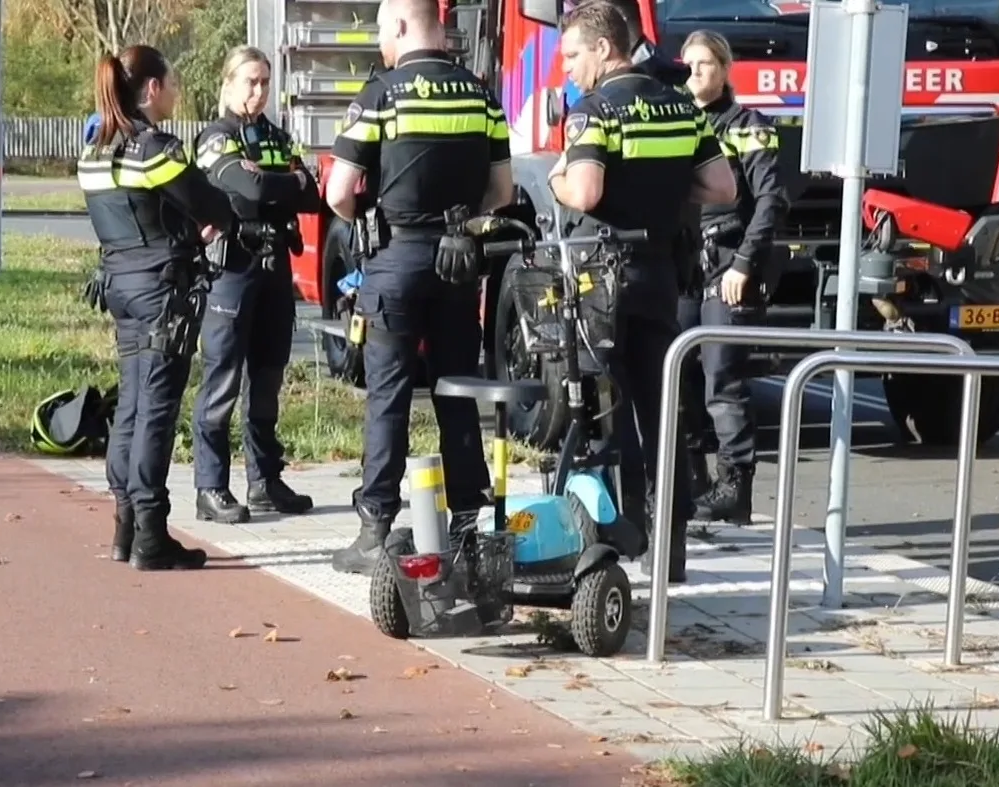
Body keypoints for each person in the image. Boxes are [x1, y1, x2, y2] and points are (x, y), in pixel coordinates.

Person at [324, 0, 514, 576]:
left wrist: (367, 216)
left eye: (383, 30)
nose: (380, 43)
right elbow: (502, 191)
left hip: (395, 261)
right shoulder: (481, 95)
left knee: (389, 396)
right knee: (458, 392)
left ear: (403, 26)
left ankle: (375, 530)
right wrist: (460, 222)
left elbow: (338, 192)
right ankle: (468, 529)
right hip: (459, 263)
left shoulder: (379, 95)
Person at [548, 2, 737, 579]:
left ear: (605, 49)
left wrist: (556, 178)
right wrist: (666, 191)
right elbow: (722, 186)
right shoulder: (680, 105)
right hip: (660, 274)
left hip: (603, 279)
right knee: (662, 408)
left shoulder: (594, 110)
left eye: (573, 55)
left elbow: (585, 192)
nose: (568, 69)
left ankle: (624, 529)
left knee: (606, 407)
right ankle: (671, 544)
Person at [76, 45, 236, 571]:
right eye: (172, 84)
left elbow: (136, 212)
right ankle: (151, 535)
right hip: (161, 291)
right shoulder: (155, 150)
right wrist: (206, 223)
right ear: (151, 89)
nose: (175, 93)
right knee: (156, 410)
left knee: (130, 405)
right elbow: (213, 206)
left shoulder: (95, 151)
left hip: (119, 286)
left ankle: (125, 528)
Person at [189, 46, 323, 523]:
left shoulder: (276, 137)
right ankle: (210, 486)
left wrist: (279, 181)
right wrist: (282, 181)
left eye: (265, 81)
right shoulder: (215, 137)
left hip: (274, 269)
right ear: (228, 84)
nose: (259, 90)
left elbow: (312, 195)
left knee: (267, 379)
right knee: (222, 380)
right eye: (250, 81)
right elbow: (253, 190)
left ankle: (265, 480)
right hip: (232, 270)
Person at [677, 30, 787, 525]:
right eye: (688, 64)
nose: (694, 73)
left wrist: (744, 263)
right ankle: (689, 481)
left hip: (728, 262)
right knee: (676, 373)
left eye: (704, 64)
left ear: (724, 70)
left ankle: (734, 487)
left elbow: (771, 200)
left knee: (723, 377)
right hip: (684, 263)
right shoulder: (677, 121)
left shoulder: (750, 126)